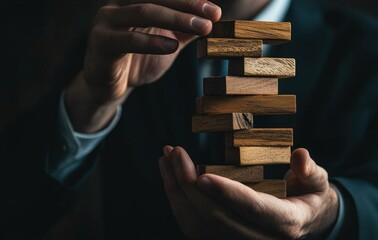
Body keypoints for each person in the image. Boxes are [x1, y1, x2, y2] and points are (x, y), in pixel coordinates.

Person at [1, 0, 377, 239]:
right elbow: (14, 206)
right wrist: (92, 102)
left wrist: (333, 212)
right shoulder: (117, 38)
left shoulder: (365, 48)